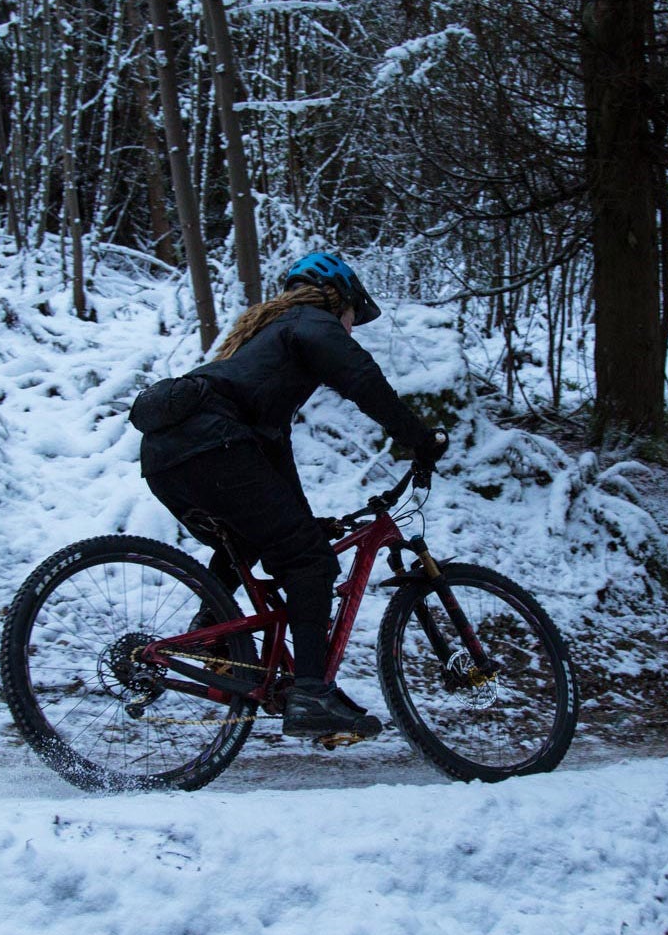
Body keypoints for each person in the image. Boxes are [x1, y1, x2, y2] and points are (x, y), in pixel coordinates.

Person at [134, 252, 447, 741]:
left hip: (168, 457)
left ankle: (216, 644)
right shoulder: (310, 321)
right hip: (213, 446)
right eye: (352, 318)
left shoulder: (265, 352)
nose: (351, 329)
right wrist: (420, 438)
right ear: (338, 300)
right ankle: (310, 694)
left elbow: (269, 454)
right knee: (311, 564)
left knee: (249, 542)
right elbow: (362, 379)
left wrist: (304, 521)